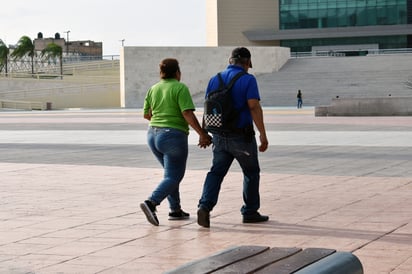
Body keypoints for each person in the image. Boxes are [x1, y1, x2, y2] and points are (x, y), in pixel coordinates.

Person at [197, 47, 269, 228]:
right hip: (241, 137)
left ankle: (204, 206)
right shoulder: (248, 79)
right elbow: (253, 106)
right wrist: (263, 134)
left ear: (230, 61)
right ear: (247, 62)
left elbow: (208, 107)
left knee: (216, 172)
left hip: (219, 136)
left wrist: (204, 133)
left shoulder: (215, 79)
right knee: (251, 173)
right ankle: (250, 211)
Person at [141, 58, 212, 226]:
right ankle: (151, 202)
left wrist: (161, 120)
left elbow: (146, 114)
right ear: (177, 72)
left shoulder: (153, 88)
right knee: (174, 175)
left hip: (152, 134)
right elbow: (187, 113)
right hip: (172, 136)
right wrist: (202, 134)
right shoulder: (180, 88)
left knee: (169, 174)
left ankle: (175, 210)